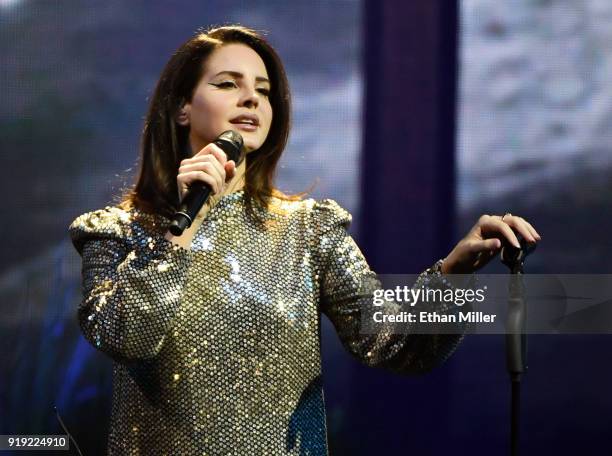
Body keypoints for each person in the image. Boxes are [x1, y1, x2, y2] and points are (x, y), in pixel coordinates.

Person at [69, 25, 541, 455]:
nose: (251, 100)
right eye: (228, 84)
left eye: (264, 91)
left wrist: (453, 271)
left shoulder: (308, 229)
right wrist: (182, 228)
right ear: (181, 108)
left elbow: (392, 342)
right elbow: (126, 336)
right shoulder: (115, 231)